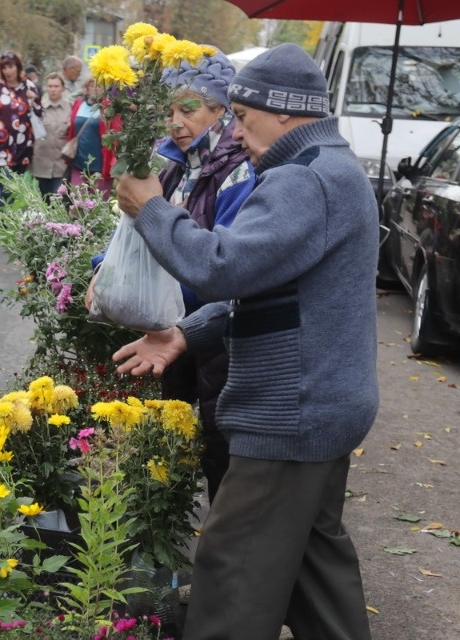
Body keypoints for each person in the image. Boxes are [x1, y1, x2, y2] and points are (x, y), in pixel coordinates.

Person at [113, 44, 377, 640]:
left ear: (283, 111)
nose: (235, 128)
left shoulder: (304, 180)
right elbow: (267, 295)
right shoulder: (331, 168)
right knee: (314, 568)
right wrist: (185, 332)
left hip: (290, 414)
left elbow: (223, 267)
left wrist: (152, 209)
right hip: (322, 405)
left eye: (240, 114)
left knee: (232, 571)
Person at [88, 49, 254, 503]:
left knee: (221, 449)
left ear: (221, 109)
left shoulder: (239, 173)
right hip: (168, 328)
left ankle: (225, 554)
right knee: (171, 441)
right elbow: (135, 227)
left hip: (217, 333)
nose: (175, 121)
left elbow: (232, 260)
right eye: (169, 110)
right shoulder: (171, 163)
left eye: (188, 108)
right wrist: (104, 267)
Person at [0, 50, 41, 205]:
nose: (7, 71)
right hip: (1, 149)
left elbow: (38, 114)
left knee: (17, 194)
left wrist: (33, 100)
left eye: (10, 67)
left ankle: (14, 227)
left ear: (18, 67)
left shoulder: (29, 87)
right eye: (4, 68)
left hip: (23, 149)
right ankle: (4, 224)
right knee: (4, 193)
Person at [66, 77, 114, 199]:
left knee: (98, 206)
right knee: (77, 204)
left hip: (100, 166)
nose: (95, 89)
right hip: (79, 163)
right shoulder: (78, 104)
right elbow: (72, 128)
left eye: (99, 86)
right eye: (92, 86)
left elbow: (114, 133)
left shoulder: (108, 107)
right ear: (86, 89)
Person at [30, 71, 72, 197]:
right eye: (50, 86)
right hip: (41, 165)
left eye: (56, 86)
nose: (53, 90)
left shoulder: (70, 108)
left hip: (61, 165)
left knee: (59, 201)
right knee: (46, 201)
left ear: (63, 88)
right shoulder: (38, 109)